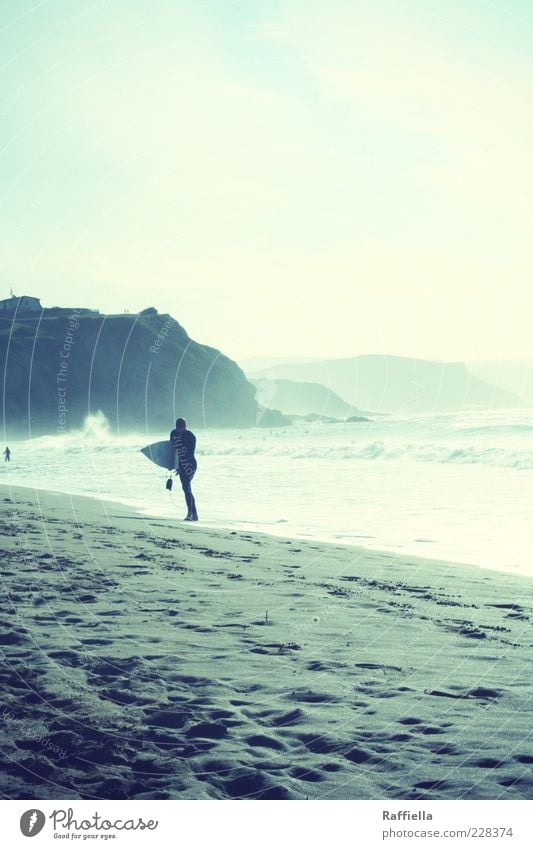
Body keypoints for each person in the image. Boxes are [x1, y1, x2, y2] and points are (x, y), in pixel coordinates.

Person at [170, 418, 198, 521]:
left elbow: (190, 454)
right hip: (180, 464)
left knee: (186, 487)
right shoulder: (173, 434)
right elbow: (172, 450)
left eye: (181, 428)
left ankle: (191, 513)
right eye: (178, 428)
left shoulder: (190, 436)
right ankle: (194, 514)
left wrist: (181, 467)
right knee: (186, 488)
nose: (179, 430)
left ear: (185, 427)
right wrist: (172, 464)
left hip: (190, 465)